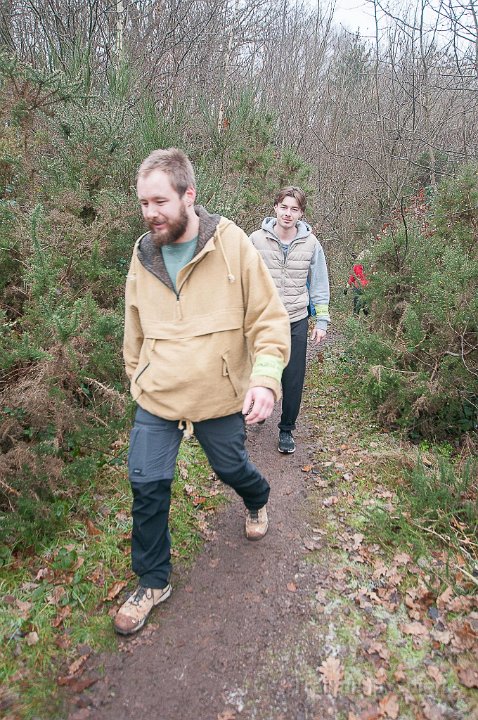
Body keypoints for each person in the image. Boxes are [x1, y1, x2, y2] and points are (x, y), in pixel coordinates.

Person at [114, 148, 291, 635]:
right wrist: (137, 376)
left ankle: (257, 496)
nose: (150, 213)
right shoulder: (142, 254)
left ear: (188, 195)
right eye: (143, 203)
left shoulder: (231, 244)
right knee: (146, 484)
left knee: (230, 467)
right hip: (158, 394)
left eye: (160, 202)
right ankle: (153, 580)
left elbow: (269, 319)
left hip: (218, 393)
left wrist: (265, 378)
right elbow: (133, 326)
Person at [249, 186, 330, 455]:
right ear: (275, 208)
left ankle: (286, 429)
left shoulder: (311, 244)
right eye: (284, 207)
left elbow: (319, 283)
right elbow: (242, 277)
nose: (288, 213)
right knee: (259, 370)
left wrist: (321, 320)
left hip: (296, 318)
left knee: (293, 378)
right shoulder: (255, 240)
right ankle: (260, 409)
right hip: (263, 319)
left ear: (301, 213)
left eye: (294, 209)